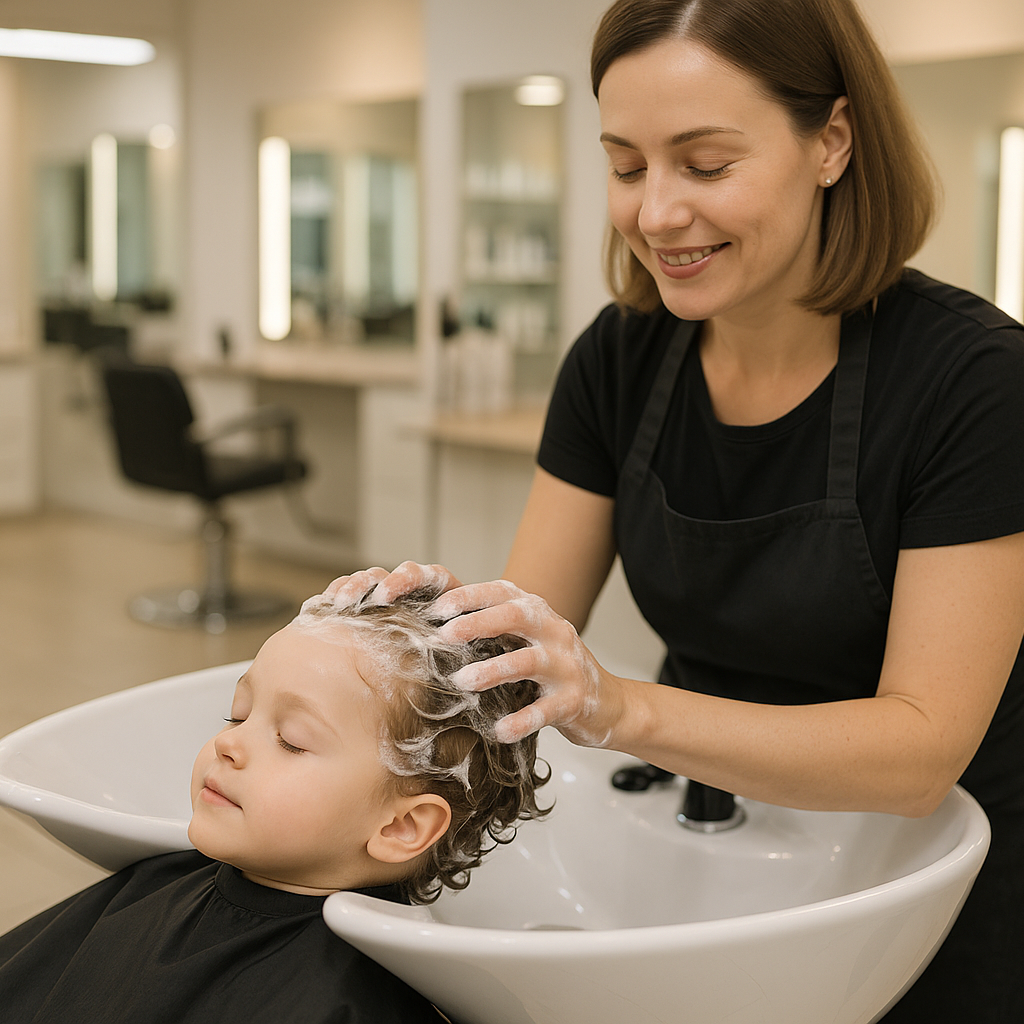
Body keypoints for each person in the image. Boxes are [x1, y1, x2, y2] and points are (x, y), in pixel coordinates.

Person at [340, 1, 1024, 1020]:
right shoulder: (618, 362)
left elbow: (920, 754)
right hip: (709, 833)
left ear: (832, 141)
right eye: (626, 166)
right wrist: (412, 639)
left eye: (704, 165)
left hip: (925, 882)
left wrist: (619, 708)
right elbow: (518, 647)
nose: (656, 213)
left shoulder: (973, 383)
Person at [0, 585, 549, 1023]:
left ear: (402, 825)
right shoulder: (160, 878)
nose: (229, 744)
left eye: (290, 741)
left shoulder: (346, 1002)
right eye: (238, 714)